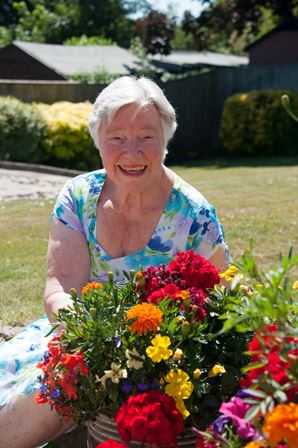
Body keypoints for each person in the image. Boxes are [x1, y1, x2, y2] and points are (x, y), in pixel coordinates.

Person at [0, 76, 229, 447]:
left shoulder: (195, 215)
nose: (132, 152)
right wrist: (96, 343)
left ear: (166, 139)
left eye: (147, 136)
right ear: (99, 142)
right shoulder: (78, 196)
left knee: (48, 401)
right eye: (117, 137)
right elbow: (60, 289)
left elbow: (222, 305)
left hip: (160, 358)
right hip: (78, 341)